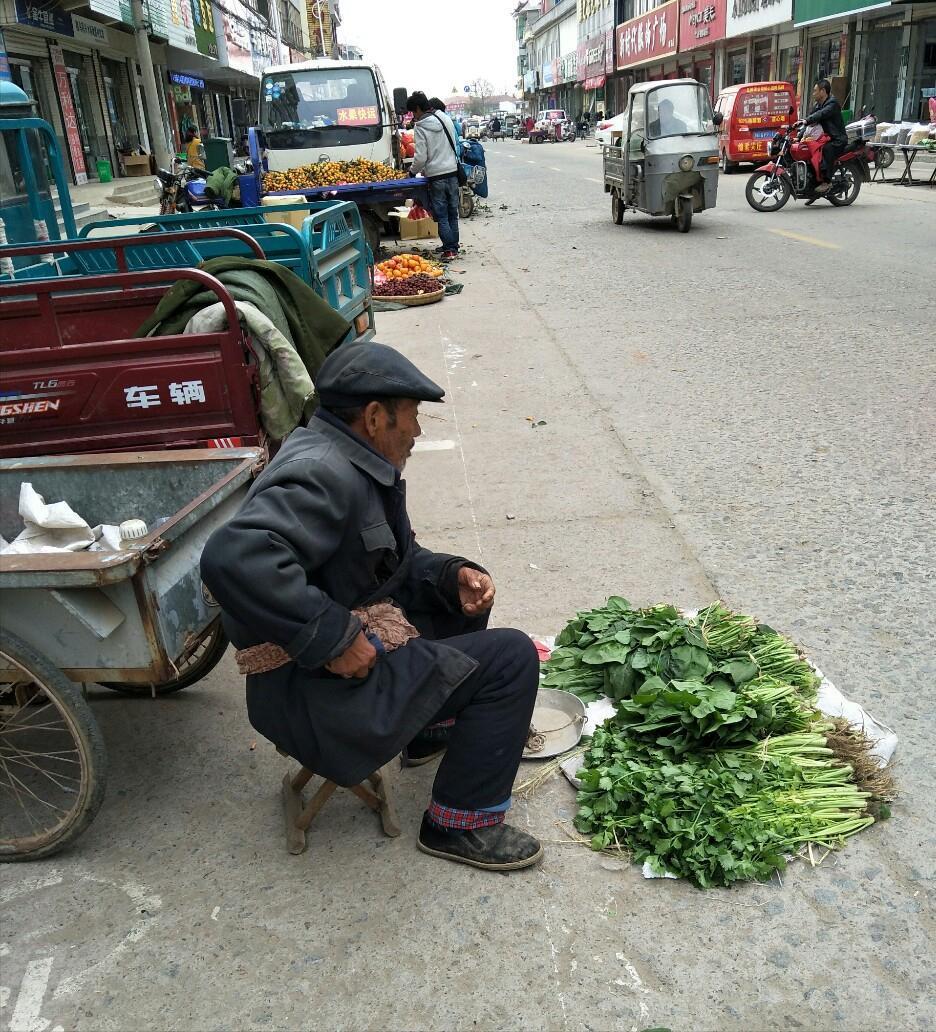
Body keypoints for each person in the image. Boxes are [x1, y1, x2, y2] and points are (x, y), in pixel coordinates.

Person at [200, 343, 543, 872]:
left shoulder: (351, 462)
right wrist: (333, 639)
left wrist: (451, 576)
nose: (417, 431)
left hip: (325, 679)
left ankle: (428, 730)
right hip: (310, 698)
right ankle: (459, 824)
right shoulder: (323, 472)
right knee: (513, 658)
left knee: (456, 604)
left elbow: (395, 564)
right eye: (411, 417)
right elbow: (234, 557)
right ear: (375, 417)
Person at [409, 91, 461, 262]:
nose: (414, 116)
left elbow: (420, 157)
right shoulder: (444, 117)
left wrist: (411, 172)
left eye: (413, 112)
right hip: (452, 171)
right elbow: (454, 142)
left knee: (442, 215)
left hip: (436, 176)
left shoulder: (421, 126)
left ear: (418, 108)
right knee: (453, 212)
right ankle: (452, 246)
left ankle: (450, 250)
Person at [804, 78, 847, 192]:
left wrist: (807, 120)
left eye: (815, 91)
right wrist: (799, 133)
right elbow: (811, 119)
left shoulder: (832, 103)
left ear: (823, 91)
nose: (813, 93)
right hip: (825, 138)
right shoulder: (818, 104)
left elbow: (821, 114)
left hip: (837, 139)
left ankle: (826, 182)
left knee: (826, 149)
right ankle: (813, 181)